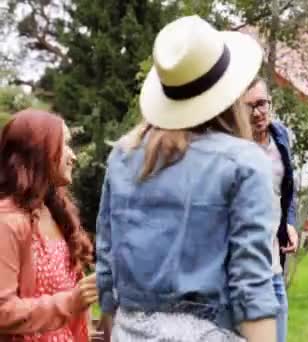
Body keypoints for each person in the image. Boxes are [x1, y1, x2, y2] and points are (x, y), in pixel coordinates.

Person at [95, 15, 279, 342]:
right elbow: (251, 285)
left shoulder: (123, 156)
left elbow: (107, 266)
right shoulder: (244, 162)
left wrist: (112, 325)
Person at [0, 109, 96, 341]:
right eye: (66, 145)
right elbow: (3, 312)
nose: (73, 156)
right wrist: (72, 301)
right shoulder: (8, 222)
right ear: (40, 150)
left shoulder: (57, 215)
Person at [243, 77, 298, 342]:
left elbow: (287, 189)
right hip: (244, 267)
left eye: (261, 104)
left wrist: (289, 223)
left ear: (270, 103)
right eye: (248, 107)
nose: (257, 113)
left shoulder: (281, 137)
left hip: (274, 262)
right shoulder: (234, 146)